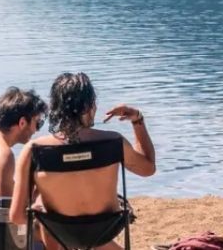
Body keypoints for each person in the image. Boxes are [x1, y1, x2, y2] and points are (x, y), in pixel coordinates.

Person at [9, 72, 156, 250]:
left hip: (60, 232)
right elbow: (147, 168)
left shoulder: (34, 150)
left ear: (55, 108)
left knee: (40, 204)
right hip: (105, 229)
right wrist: (137, 119)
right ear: (90, 106)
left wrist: (41, 213)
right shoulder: (113, 142)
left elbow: (16, 216)